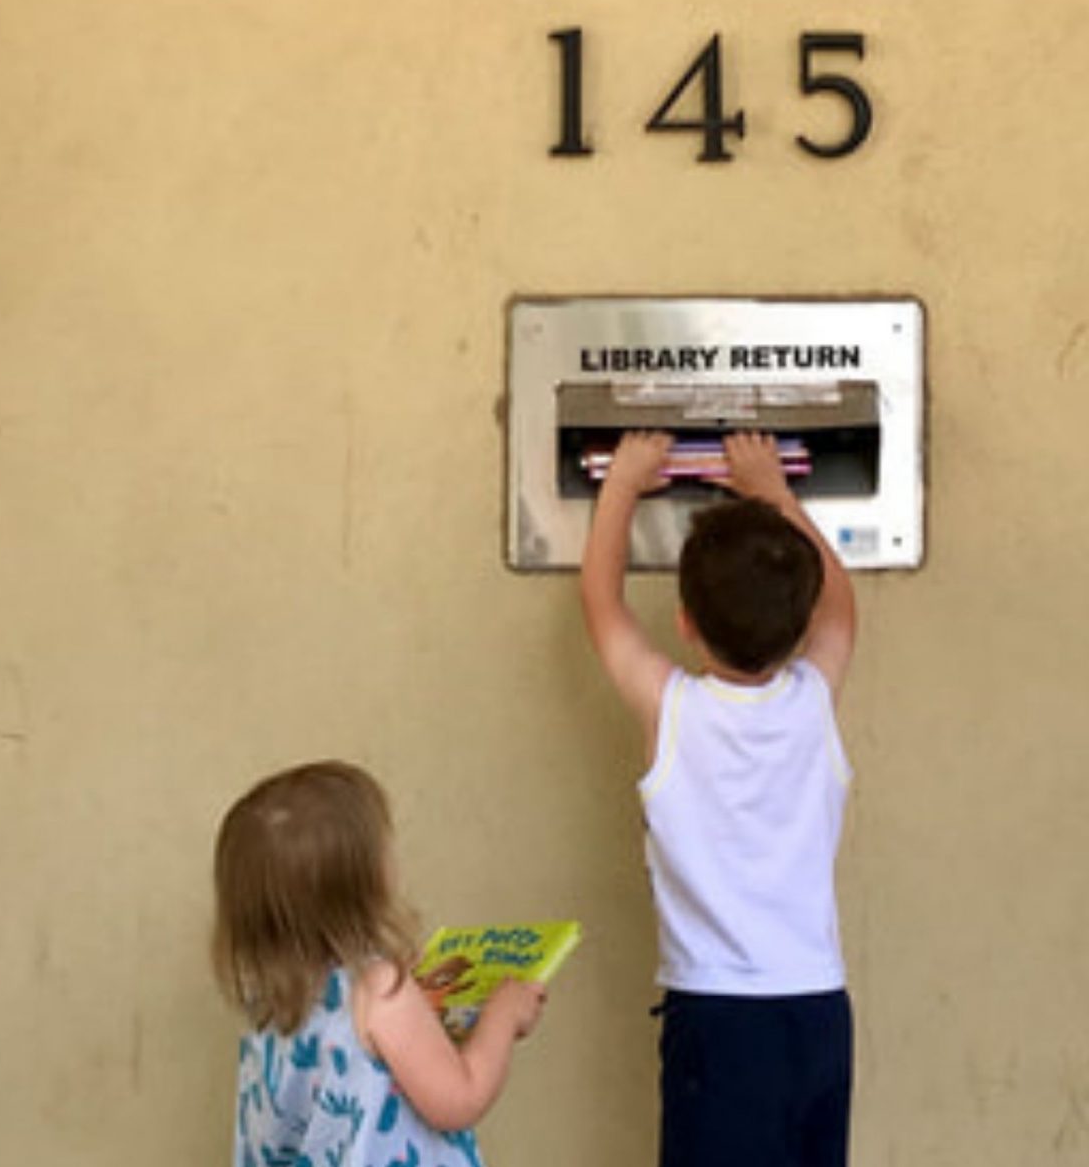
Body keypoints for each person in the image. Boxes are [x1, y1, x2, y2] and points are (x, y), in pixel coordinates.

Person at [576, 428, 862, 1167]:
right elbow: (842, 608)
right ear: (798, 629)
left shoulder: (671, 708)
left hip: (718, 1014)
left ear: (685, 623)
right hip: (817, 1007)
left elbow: (601, 604)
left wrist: (622, 484)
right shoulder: (813, 698)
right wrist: (773, 489)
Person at [213, 760, 547, 1167]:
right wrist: (503, 1016)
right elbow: (460, 1098)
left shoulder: (269, 993)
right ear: (364, 881)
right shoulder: (379, 990)